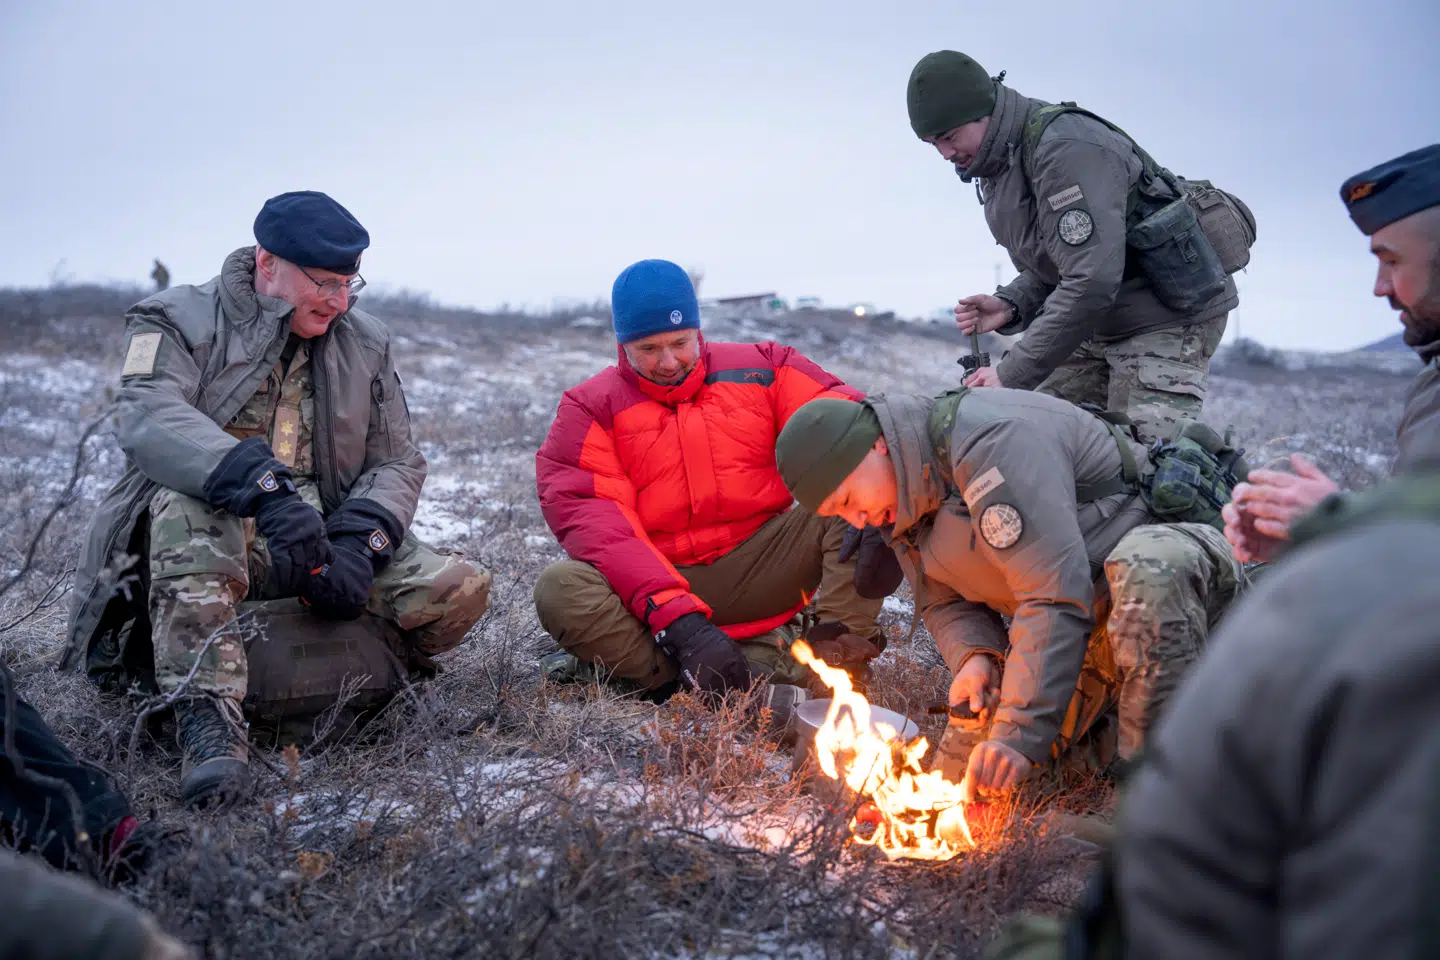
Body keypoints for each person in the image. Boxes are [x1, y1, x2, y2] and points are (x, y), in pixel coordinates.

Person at [62, 191, 492, 809]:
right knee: (189, 510)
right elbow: (150, 417)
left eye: (350, 283)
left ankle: (353, 672)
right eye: (323, 282)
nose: (338, 301)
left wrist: (359, 543)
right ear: (267, 263)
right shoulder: (175, 318)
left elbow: (396, 458)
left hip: (320, 532)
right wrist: (264, 490)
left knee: (457, 588)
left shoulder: (365, 341)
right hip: (213, 527)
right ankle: (207, 723)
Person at [773, 387, 1242, 799]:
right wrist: (976, 657)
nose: (858, 521)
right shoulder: (900, 493)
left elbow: (1053, 596)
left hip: (1177, 583)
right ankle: (1119, 738)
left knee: (1145, 572)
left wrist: (1019, 735)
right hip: (1085, 616)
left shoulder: (990, 443)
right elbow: (941, 599)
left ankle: (1166, 794)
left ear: (874, 447)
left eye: (849, 501)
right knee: (984, 790)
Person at [533, 259, 898, 706]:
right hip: (655, 586)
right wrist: (682, 625)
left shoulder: (766, 369)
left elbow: (852, 425)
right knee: (560, 588)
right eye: (648, 349)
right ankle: (690, 680)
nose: (668, 362)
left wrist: (890, 502)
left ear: (697, 330)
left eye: (680, 343)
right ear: (621, 343)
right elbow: (603, 532)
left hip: (761, 567)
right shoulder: (588, 410)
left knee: (852, 497)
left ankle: (833, 665)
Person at [906, 51, 1251, 443]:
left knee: (1144, 470)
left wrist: (1009, 374)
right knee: (1019, 436)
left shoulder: (1064, 150)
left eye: (949, 138)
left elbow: (1092, 278)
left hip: (1163, 316)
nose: (946, 155)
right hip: (1099, 319)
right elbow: (1064, 261)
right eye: (933, 144)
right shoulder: (996, 164)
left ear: (984, 111)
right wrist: (1012, 303)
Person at [1223, 143, 1440, 563]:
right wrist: (1312, 539)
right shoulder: (1431, 383)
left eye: (1392, 261)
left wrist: (1344, 524)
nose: (1380, 287)